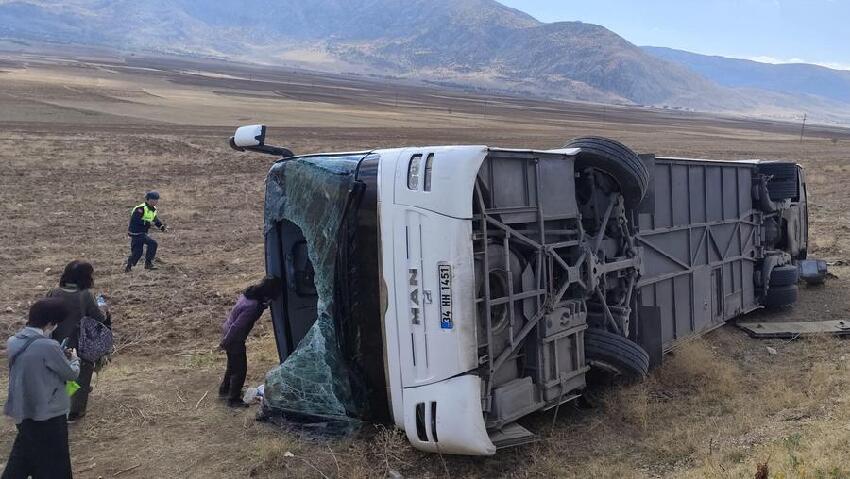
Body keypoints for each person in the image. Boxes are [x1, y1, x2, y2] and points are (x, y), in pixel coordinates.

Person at [3, 298, 80, 479]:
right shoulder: (48, 346)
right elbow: (70, 374)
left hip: (23, 409)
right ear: (50, 323)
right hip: (48, 412)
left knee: (25, 455)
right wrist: (74, 359)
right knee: (55, 461)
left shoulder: (13, 341)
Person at [47, 260, 110, 422]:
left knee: (59, 374)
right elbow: (99, 317)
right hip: (78, 342)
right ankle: (75, 412)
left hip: (54, 342)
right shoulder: (85, 296)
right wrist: (104, 307)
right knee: (81, 374)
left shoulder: (53, 292)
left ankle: (57, 403)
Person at [219, 277, 282, 408]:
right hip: (234, 337)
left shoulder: (250, 293)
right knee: (240, 369)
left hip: (227, 330)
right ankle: (233, 399)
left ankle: (225, 390)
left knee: (232, 366)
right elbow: (237, 327)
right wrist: (226, 342)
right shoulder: (253, 306)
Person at [125, 190, 167, 272]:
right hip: (136, 232)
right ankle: (148, 264)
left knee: (138, 252)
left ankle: (129, 267)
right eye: (153, 200)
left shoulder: (153, 209)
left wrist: (162, 227)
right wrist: (148, 224)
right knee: (152, 244)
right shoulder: (140, 209)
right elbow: (135, 220)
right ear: (147, 200)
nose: (155, 202)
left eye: (156, 200)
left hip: (142, 233)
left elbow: (155, 219)